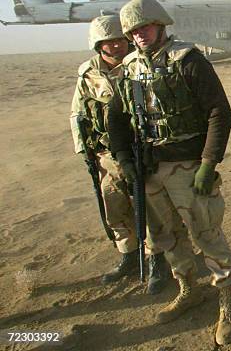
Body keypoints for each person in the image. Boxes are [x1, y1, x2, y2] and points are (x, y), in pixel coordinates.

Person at [106, 0, 231, 345]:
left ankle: (227, 298)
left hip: (188, 166)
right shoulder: (129, 68)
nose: (140, 36)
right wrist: (125, 161)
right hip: (149, 170)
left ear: (161, 25)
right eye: (133, 31)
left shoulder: (189, 61)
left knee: (206, 232)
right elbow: (117, 120)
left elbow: (219, 113)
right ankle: (187, 288)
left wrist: (208, 165)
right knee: (164, 236)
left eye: (145, 28)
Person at [69, 15, 170, 293]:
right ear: (98, 45)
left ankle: (156, 260)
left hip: (138, 148)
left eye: (119, 40)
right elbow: (77, 113)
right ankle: (127, 254)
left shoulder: (139, 65)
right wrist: (84, 150)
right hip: (106, 153)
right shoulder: (88, 73)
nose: (115, 47)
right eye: (108, 42)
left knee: (147, 207)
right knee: (113, 204)